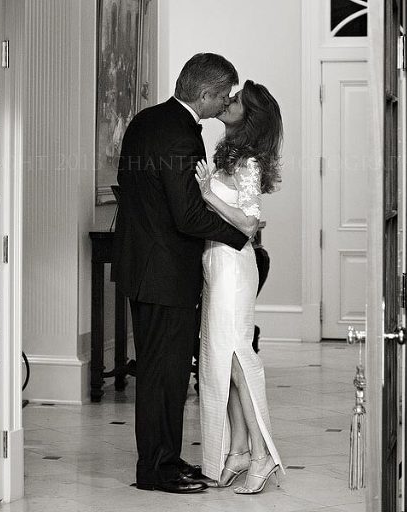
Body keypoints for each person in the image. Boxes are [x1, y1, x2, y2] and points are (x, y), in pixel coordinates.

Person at [111, 53, 249, 494]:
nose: (226, 102)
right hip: (165, 272)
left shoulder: (147, 120)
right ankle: (156, 469)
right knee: (163, 375)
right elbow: (187, 214)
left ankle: (163, 459)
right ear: (205, 94)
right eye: (224, 95)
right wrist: (241, 235)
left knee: (161, 373)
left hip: (145, 266)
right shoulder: (180, 133)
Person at [194, 80, 284, 494]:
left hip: (233, 266)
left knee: (234, 361)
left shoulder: (247, 161)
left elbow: (248, 223)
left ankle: (261, 456)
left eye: (236, 101)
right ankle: (238, 451)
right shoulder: (231, 154)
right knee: (219, 362)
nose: (227, 102)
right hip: (217, 264)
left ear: (250, 116)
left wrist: (205, 195)